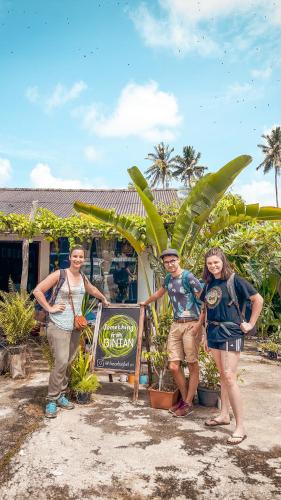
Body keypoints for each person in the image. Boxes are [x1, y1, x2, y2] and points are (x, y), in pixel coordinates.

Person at [34, 245, 110, 418]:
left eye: (81, 257)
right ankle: (52, 399)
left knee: (68, 361)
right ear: (70, 258)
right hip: (58, 324)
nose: (77, 259)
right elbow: (38, 290)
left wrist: (103, 298)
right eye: (75, 256)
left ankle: (61, 394)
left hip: (76, 326)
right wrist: (50, 308)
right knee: (60, 361)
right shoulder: (60, 274)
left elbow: (92, 289)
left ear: (84, 259)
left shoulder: (82, 277)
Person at [200, 247, 263, 445]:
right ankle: (224, 415)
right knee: (222, 375)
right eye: (209, 263)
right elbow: (207, 309)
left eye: (216, 262)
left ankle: (240, 427)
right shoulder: (209, 283)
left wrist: (250, 324)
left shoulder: (235, 280)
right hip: (213, 332)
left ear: (223, 262)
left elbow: (257, 299)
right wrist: (204, 335)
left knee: (229, 376)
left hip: (231, 332)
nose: (213, 266)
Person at [140, 248, 204, 417]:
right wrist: (145, 302)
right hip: (176, 325)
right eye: (166, 262)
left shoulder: (189, 277)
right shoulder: (168, 278)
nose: (169, 264)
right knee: (173, 366)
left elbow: (204, 300)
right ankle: (184, 400)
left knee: (192, 364)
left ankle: (188, 402)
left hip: (191, 324)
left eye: (172, 261)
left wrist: (201, 324)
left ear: (178, 260)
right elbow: (159, 293)